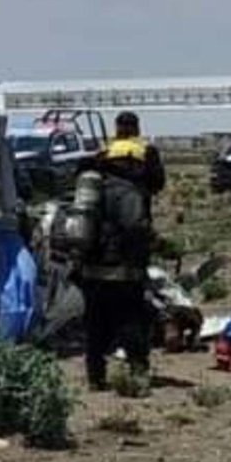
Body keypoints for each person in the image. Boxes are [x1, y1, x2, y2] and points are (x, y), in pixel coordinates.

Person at [75, 111, 165, 390]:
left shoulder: (96, 173)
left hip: (92, 264)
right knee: (131, 319)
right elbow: (136, 225)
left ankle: (96, 377)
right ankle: (137, 374)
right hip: (124, 266)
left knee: (95, 323)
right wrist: (147, 245)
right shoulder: (131, 187)